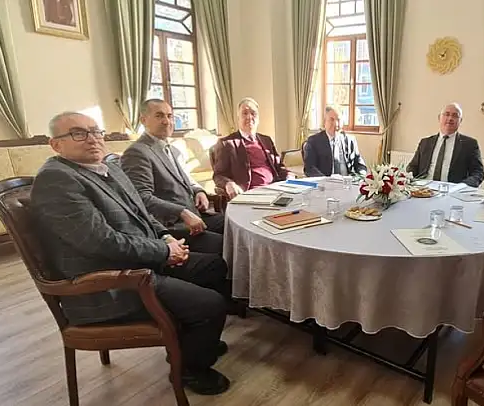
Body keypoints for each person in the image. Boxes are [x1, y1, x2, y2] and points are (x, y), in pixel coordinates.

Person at [30, 112, 231, 395]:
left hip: (136, 262)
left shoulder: (107, 167)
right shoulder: (57, 180)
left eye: (96, 131)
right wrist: (163, 251)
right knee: (210, 304)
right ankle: (189, 369)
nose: (92, 139)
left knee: (215, 266)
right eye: (78, 133)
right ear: (56, 145)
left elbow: (142, 213)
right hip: (108, 283)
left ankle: (194, 341)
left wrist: (166, 236)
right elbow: (101, 243)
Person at [120, 99, 225, 254]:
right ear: (143, 120)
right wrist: (181, 212)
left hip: (195, 214)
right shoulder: (137, 153)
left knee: (235, 225)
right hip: (171, 226)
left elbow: (187, 180)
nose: (166, 121)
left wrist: (199, 191)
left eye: (169, 116)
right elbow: (141, 198)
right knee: (227, 244)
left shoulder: (174, 150)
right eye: (159, 116)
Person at [211, 97, 292, 198]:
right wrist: (229, 184)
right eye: (245, 113)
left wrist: (289, 176)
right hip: (250, 194)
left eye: (253, 113)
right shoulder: (226, 143)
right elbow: (218, 175)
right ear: (238, 118)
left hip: (275, 191)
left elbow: (279, 167)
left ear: (258, 119)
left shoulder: (266, 140)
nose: (249, 117)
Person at [406, 103, 484, 187]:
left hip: (453, 191)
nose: (450, 118)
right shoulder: (425, 143)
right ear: (439, 118)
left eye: (455, 116)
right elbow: (412, 167)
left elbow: (478, 172)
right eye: (447, 114)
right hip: (424, 189)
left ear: (460, 121)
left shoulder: (469, 144)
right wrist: (408, 179)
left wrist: (462, 186)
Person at [303, 105, 367, 177]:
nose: (336, 124)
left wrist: (359, 177)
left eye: (338, 120)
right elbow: (309, 168)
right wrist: (325, 180)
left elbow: (361, 166)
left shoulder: (350, 140)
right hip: (325, 182)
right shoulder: (313, 141)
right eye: (332, 119)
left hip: (348, 181)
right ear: (324, 122)